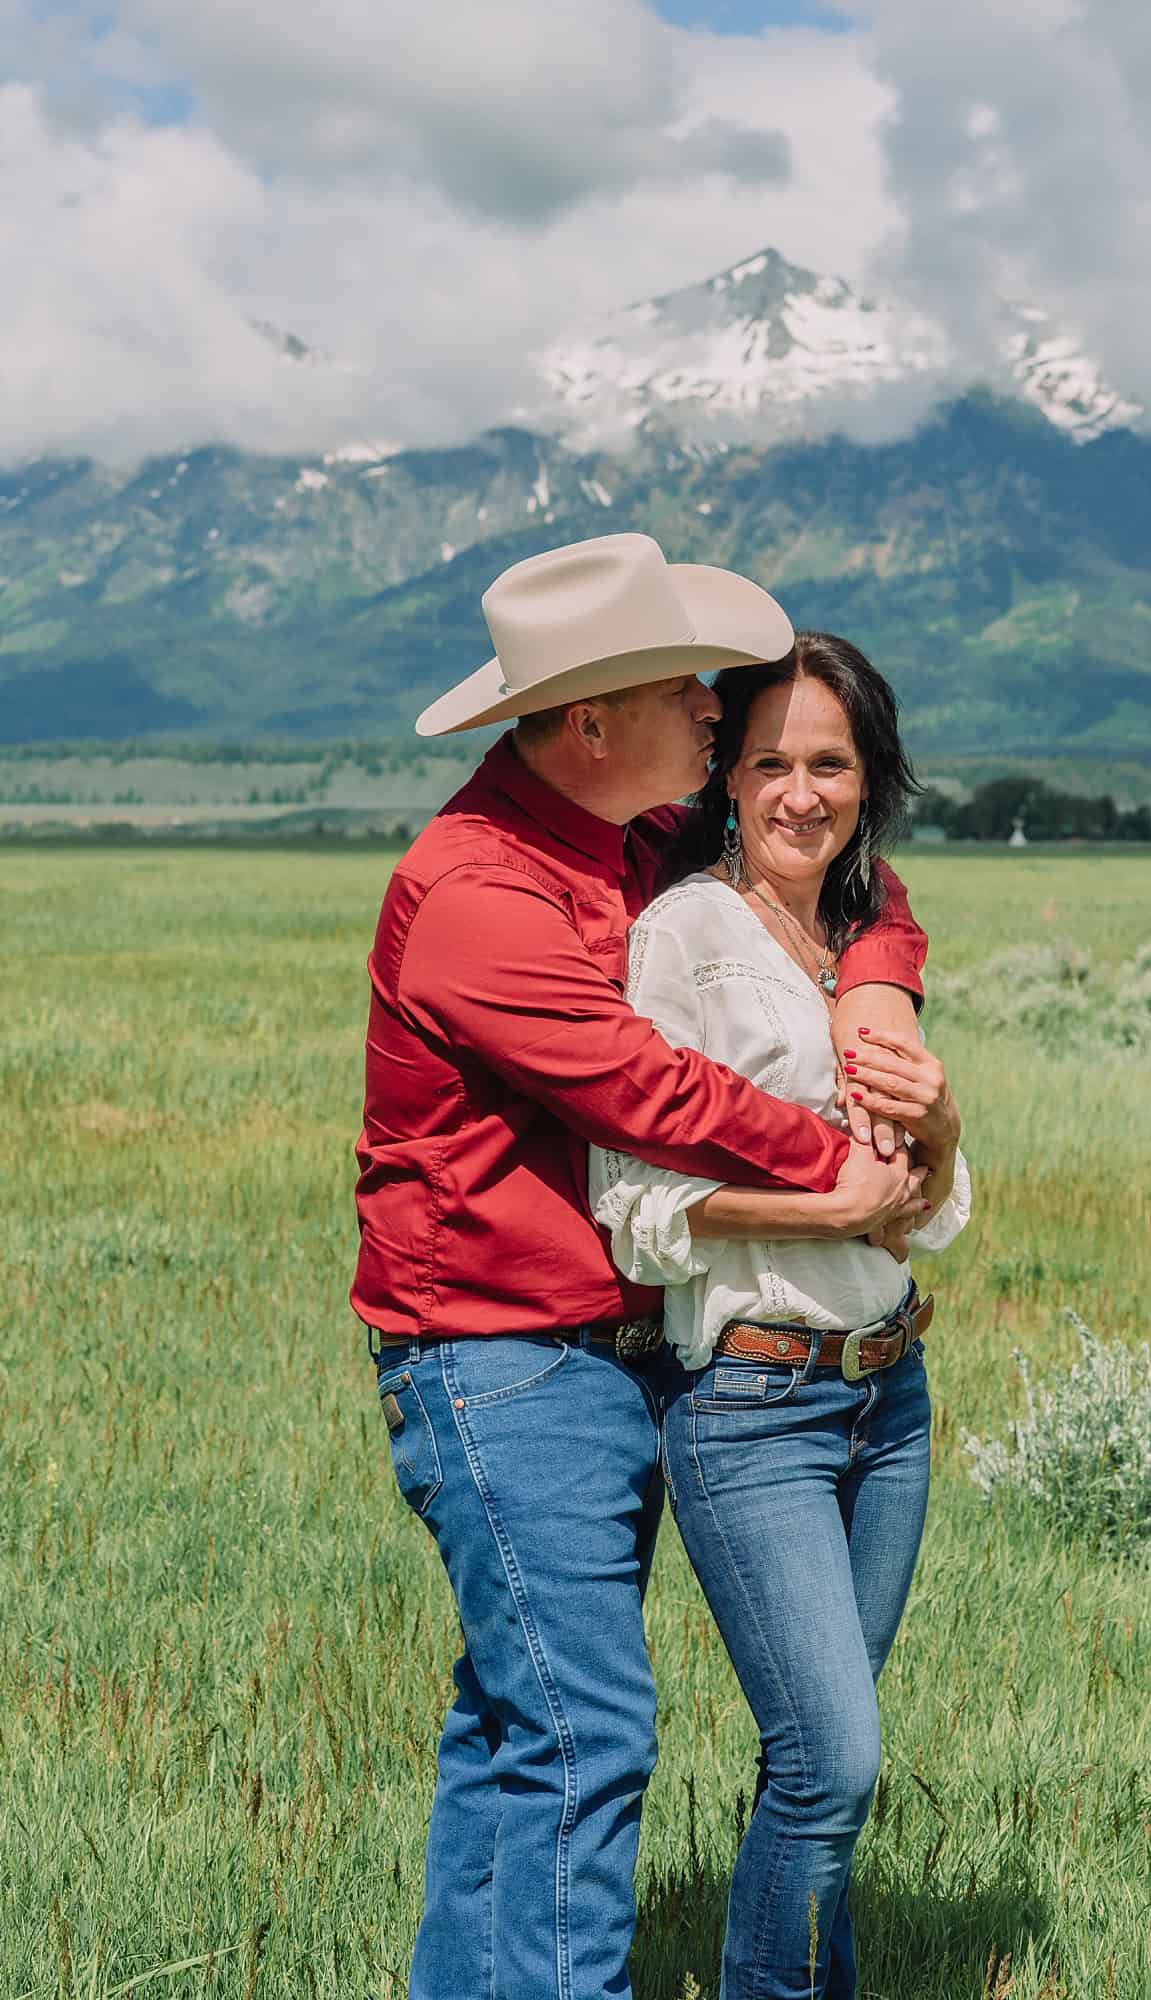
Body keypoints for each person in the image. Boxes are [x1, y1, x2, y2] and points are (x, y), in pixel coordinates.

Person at [352, 533, 955, 2000]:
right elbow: (656, 1098)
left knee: (517, 1726)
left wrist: (875, 993)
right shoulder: (479, 897)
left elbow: (856, 896)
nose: (710, 707)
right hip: (505, 1358)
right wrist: (850, 1177)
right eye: (682, 687)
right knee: (585, 1731)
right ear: (587, 720)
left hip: (608, 1347)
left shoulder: (622, 841)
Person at [589, 631, 970, 2000]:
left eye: (831, 762)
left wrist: (939, 1134)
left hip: (892, 1392)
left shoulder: (865, 939)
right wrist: (829, 1209)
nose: (802, 791)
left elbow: (940, 1197)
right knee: (836, 1759)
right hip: (754, 1405)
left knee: (819, 1766)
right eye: (771, 763)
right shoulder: (683, 932)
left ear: (870, 779)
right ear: (726, 783)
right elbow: (635, 1207)